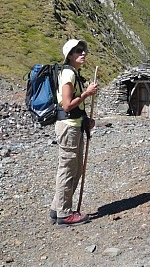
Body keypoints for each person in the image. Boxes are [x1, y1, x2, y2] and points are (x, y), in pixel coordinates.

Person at [49, 38, 98, 226]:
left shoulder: (73, 73)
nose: (82, 53)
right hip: (68, 127)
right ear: (69, 56)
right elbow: (68, 105)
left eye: (83, 50)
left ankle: (57, 208)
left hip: (74, 125)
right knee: (68, 169)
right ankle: (64, 214)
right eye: (78, 51)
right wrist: (86, 94)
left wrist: (85, 120)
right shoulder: (68, 74)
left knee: (74, 168)